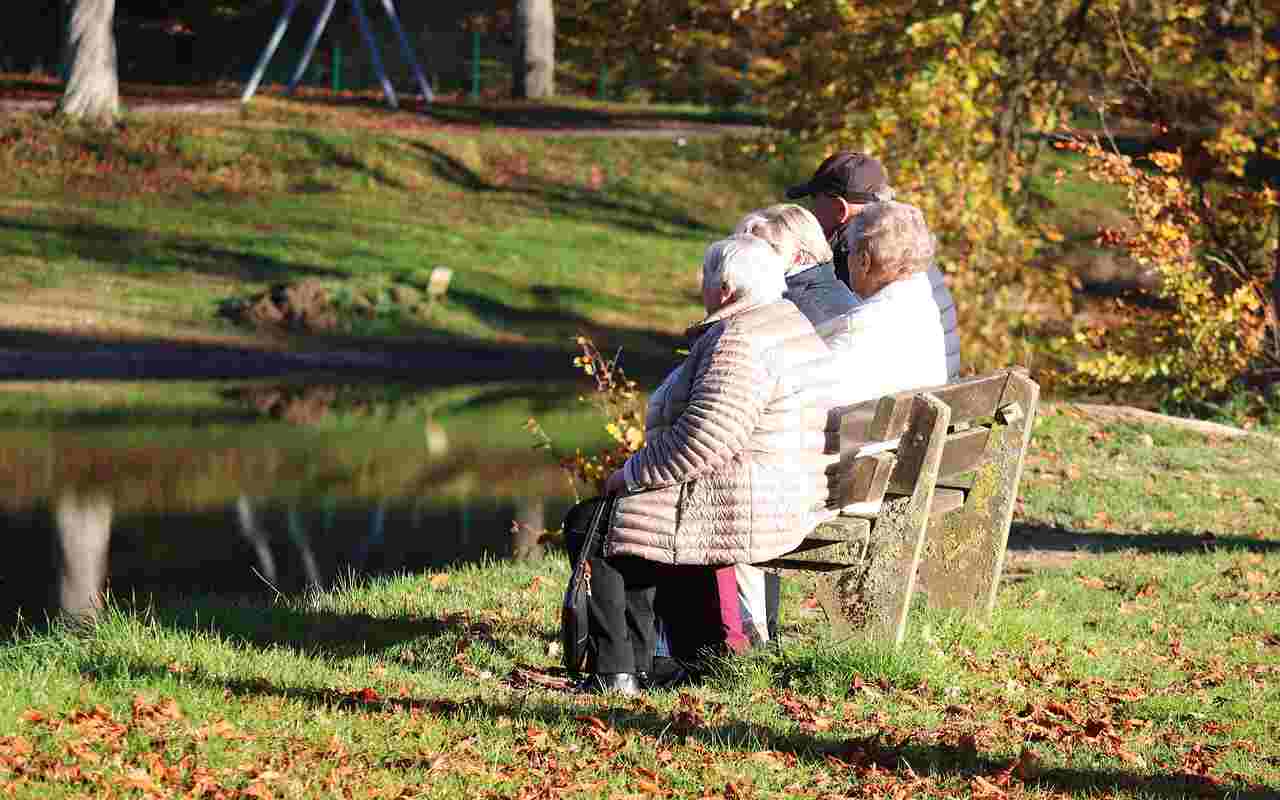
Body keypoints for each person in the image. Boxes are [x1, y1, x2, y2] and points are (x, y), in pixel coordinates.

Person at [566, 234, 837, 695]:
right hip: (777, 483)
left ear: (726, 290)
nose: (702, 290)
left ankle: (616, 672)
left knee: (594, 522)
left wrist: (629, 474)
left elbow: (705, 438)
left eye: (705, 281)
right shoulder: (782, 321)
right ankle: (651, 662)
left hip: (748, 494)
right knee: (630, 519)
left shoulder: (739, 340)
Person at [785, 151, 961, 379]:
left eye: (814, 204)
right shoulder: (908, 241)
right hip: (938, 385)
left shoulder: (857, 253)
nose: (811, 214)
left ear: (840, 209)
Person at [733, 203, 858, 349]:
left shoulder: (801, 311)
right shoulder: (833, 291)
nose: (747, 259)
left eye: (764, 251)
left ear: (800, 257)